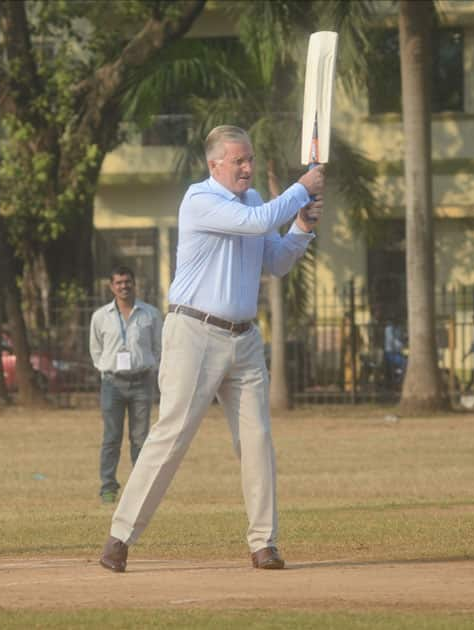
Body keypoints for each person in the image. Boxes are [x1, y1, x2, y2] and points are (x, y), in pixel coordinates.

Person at [98, 125, 325, 573]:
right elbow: (256, 225)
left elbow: (276, 261)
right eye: (238, 160)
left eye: (250, 159)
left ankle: (264, 543)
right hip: (194, 334)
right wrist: (302, 189)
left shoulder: (256, 200)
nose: (247, 167)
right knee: (172, 435)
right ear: (214, 163)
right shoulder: (199, 200)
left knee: (257, 440)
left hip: (244, 338)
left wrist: (302, 226)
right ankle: (120, 536)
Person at [89, 266, 162, 504]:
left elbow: (158, 347)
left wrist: (152, 368)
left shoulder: (150, 314)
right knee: (112, 437)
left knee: (140, 439)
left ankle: (139, 490)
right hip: (113, 384)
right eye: (118, 283)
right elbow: (96, 349)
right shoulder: (101, 316)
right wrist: (105, 368)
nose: (124, 286)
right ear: (111, 287)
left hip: (142, 382)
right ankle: (108, 487)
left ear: (134, 283)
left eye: (127, 282)